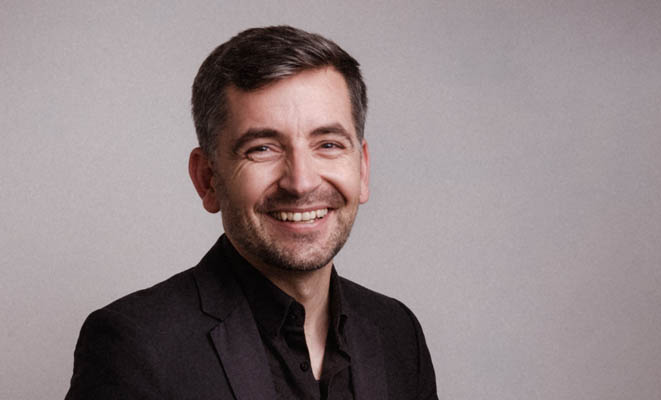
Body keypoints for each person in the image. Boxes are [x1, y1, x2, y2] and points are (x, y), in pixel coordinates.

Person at [66, 25, 437, 400]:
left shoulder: (398, 333)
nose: (301, 182)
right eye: (262, 148)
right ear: (208, 179)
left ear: (362, 169)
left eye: (328, 144)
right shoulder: (136, 346)